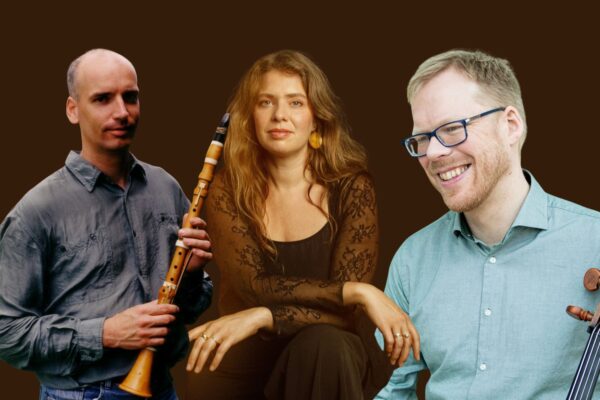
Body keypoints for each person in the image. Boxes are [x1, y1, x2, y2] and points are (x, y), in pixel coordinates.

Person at [184, 49, 420, 400]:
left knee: (325, 345)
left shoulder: (353, 187)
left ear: (316, 118)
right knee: (204, 364)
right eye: (266, 102)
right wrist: (360, 291)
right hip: (251, 353)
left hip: (332, 349)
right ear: (250, 117)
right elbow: (254, 287)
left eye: (295, 103)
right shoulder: (227, 187)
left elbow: (344, 316)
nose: (280, 115)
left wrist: (264, 317)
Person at [376, 49, 600, 399]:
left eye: (452, 128)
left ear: (510, 125)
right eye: (423, 138)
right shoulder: (412, 260)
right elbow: (393, 390)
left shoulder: (593, 240)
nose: (432, 153)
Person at [0, 49, 213, 400]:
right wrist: (105, 333)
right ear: (73, 110)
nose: (122, 112)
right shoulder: (36, 211)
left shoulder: (165, 187)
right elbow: (7, 334)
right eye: (102, 99)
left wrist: (191, 276)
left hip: (161, 388)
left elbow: (190, 308)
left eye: (130, 97)